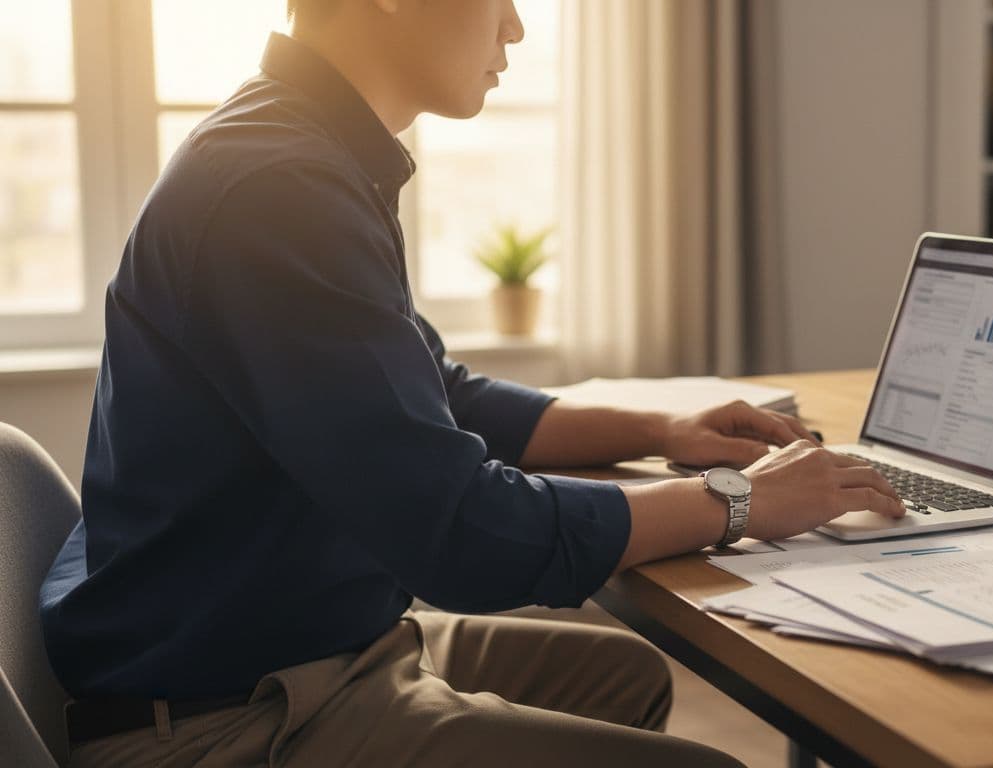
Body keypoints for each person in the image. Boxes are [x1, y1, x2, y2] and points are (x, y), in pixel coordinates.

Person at [38, 0, 905, 765]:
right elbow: (460, 534)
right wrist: (740, 502)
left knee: (622, 676)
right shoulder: (280, 187)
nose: (516, 25)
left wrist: (661, 432)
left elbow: (436, 395)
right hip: (228, 716)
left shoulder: (304, 146)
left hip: (290, 642)